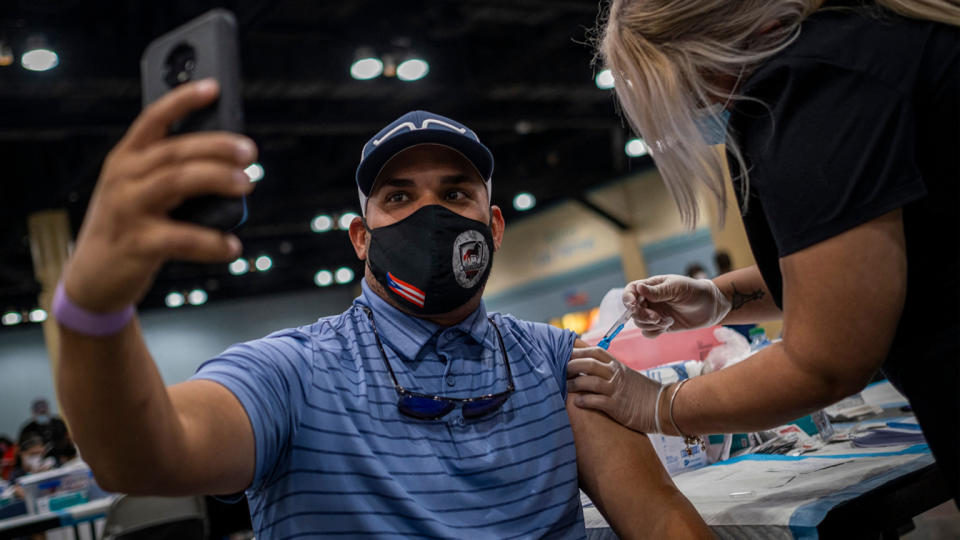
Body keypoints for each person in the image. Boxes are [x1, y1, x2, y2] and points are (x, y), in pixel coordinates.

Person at [54, 81, 711, 538]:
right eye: (398, 198)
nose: (431, 215)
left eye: (456, 193)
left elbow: (658, 519)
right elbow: (142, 457)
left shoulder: (560, 362)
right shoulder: (292, 373)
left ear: (495, 227)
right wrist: (93, 308)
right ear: (361, 239)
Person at [569, 0, 959, 502]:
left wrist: (659, 404)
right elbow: (856, 271)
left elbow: (825, 363)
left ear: (705, 58)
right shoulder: (861, 43)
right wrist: (720, 298)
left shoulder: (814, 90)